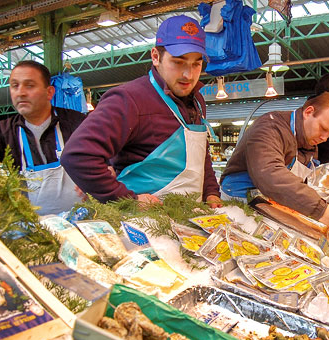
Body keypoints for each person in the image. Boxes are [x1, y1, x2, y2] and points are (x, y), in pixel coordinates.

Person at [61, 15, 222, 208]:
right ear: (155, 56)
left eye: (196, 64)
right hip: (142, 224)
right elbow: (78, 156)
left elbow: (199, 155)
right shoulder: (128, 99)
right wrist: (129, 200)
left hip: (188, 218)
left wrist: (211, 192)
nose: (188, 75)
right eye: (178, 62)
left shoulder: (197, 101)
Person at [220, 93, 329, 230]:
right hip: (240, 203)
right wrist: (319, 209)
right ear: (308, 112)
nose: (325, 138)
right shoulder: (270, 127)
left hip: (270, 203)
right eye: (323, 128)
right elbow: (269, 174)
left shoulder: (309, 143)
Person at [0, 60, 86, 215]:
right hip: (34, 229)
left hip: (86, 223)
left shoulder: (77, 123)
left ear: (49, 92)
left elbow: (111, 153)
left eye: (29, 85)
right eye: (15, 86)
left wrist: (107, 168)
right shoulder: (4, 133)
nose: (20, 92)